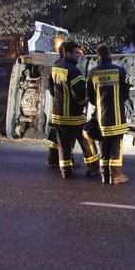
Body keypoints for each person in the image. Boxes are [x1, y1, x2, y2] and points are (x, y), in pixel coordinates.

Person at [49, 40, 99, 179]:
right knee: (86, 140)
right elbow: (79, 95)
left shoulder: (55, 67)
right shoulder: (74, 71)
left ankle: (65, 171)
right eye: (76, 53)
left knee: (63, 144)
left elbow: (51, 90)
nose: (79, 55)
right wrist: (82, 104)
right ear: (67, 53)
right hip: (74, 116)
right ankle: (93, 168)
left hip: (58, 114)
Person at [87, 43, 131, 184]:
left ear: (97, 57)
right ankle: (116, 175)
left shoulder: (92, 73)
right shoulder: (120, 71)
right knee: (116, 146)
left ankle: (104, 175)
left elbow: (91, 98)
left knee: (103, 145)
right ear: (110, 55)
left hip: (101, 118)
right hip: (117, 117)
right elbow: (125, 95)